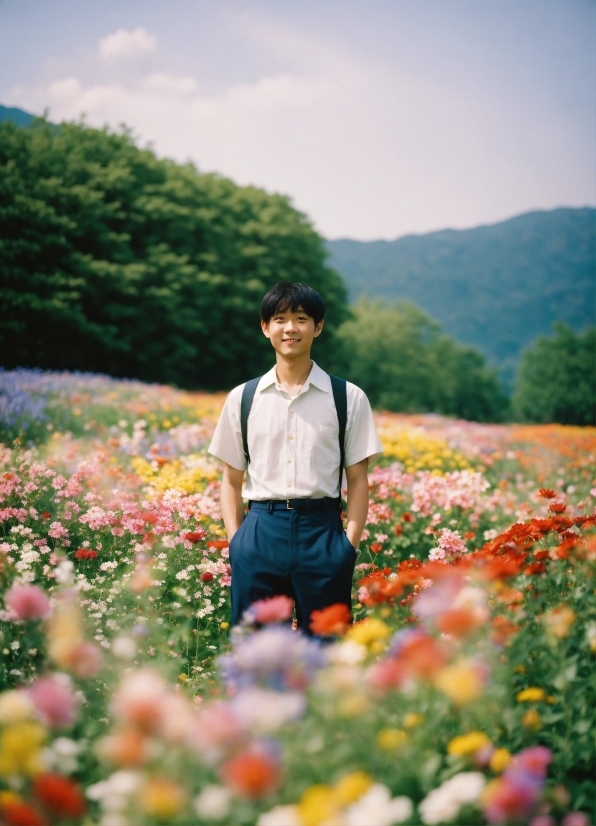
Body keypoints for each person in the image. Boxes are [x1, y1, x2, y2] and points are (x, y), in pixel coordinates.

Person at [208, 281, 382, 633]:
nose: (290, 328)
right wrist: (237, 541)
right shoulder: (242, 398)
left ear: (318, 327)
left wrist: (348, 547)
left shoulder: (348, 398)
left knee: (327, 649)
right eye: (280, 318)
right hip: (259, 532)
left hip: (323, 535)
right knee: (257, 651)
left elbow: (359, 480)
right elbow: (231, 480)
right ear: (265, 327)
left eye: (301, 318)